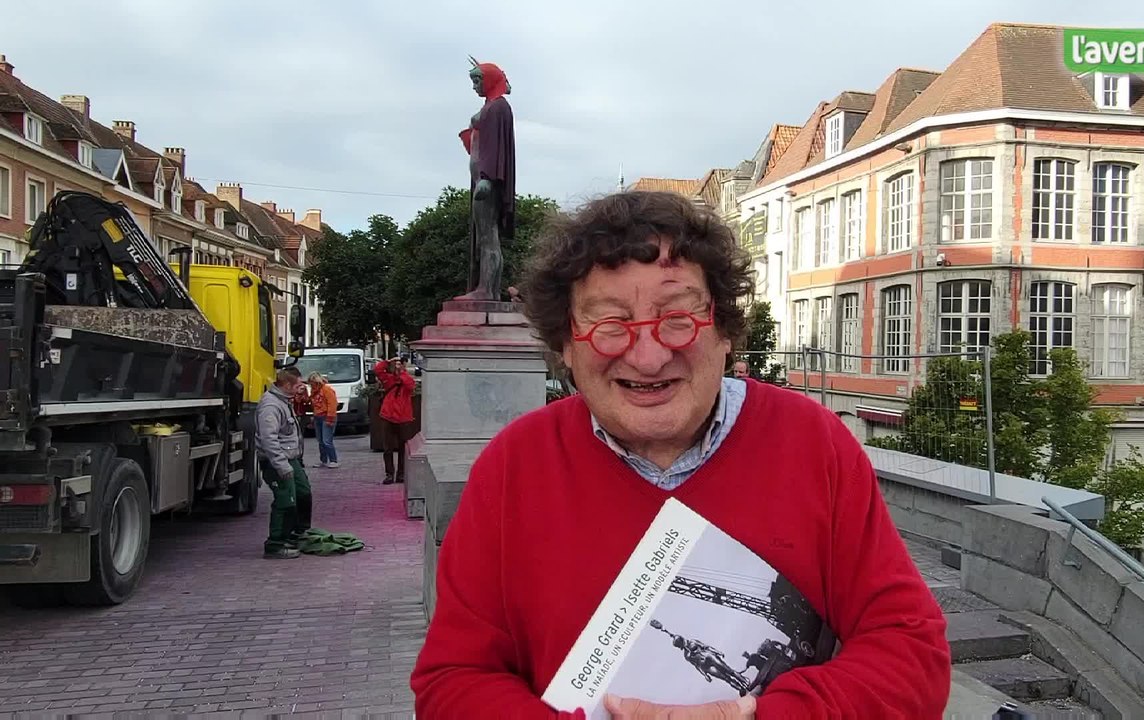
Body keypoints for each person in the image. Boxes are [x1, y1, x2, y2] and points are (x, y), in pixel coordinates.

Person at [410, 191, 950, 718]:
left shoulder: (814, 442)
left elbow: (911, 653)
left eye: (678, 317)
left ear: (724, 330)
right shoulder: (513, 466)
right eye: (609, 324)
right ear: (567, 346)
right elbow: (453, 681)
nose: (647, 356)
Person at [255, 366, 313, 560]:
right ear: (287, 385)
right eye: (298, 384)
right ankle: (276, 543)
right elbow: (268, 439)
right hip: (278, 461)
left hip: (290, 458)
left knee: (303, 492)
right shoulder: (271, 406)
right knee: (285, 500)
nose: (301, 387)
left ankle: (297, 533)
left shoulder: (284, 401)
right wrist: (281, 465)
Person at [373, 355, 415, 485]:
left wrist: (401, 372)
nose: (397, 366)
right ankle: (389, 474)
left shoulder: (406, 379)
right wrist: (388, 362)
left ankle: (401, 474)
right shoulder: (389, 380)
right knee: (388, 448)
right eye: (396, 364)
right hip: (388, 417)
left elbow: (410, 385)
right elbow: (378, 370)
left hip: (403, 418)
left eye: (399, 364)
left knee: (403, 448)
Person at [308, 372, 340, 469]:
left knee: (326, 440)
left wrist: (330, 418)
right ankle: (324, 460)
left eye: (312, 383)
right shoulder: (314, 392)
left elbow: (332, 404)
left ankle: (333, 460)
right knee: (321, 441)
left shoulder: (327, 390)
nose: (311, 385)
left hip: (326, 416)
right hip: (318, 416)